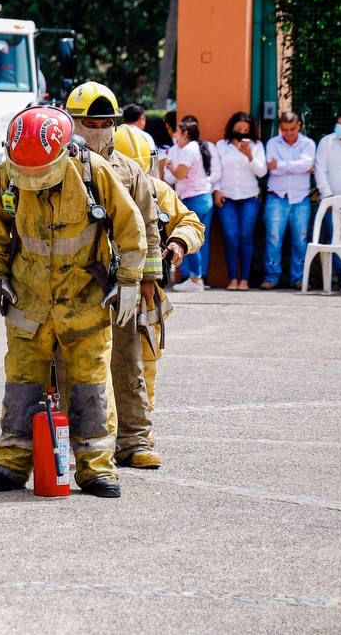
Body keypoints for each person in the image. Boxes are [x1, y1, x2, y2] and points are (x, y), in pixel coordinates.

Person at [0, 105, 146, 498]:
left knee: (90, 388)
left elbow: (129, 227)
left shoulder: (93, 172)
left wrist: (129, 281)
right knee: (21, 386)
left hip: (83, 302)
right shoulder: (10, 171)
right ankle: (10, 464)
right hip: (29, 300)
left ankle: (95, 469)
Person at [64, 82, 161, 470]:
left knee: (127, 360)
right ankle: (80, 441)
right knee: (71, 365)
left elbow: (147, 225)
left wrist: (148, 281)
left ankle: (135, 440)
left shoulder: (130, 170)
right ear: (72, 123)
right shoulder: (57, 164)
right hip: (72, 281)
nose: (98, 128)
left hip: (121, 280)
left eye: (105, 121)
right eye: (89, 121)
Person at [113, 124, 204, 467]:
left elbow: (191, 222)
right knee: (90, 369)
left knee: (143, 369)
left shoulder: (158, 190)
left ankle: (136, 438)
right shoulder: (92, 186)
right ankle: (92, 438)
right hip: (96, 292)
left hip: (146, 295)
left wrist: (179, 242)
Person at [262, 112, 316, 289]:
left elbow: (307, 164)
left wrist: (282, 165)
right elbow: (272, 169)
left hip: (301, 197)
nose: (289, 133)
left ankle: (298, 278)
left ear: (299, 126)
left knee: (300, 239)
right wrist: (298, 166)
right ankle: (271, 277)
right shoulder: (272, 143)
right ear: (280, 128)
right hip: (277, 196)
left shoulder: (308, 144)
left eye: (292, 129)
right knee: (273, 238)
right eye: (285, 130)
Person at [213, 111, 266, 290]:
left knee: (245, 237)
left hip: (249, 197)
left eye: (245, 129)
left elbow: (262, 172)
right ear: (232, 128)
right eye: (238, 128)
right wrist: (216, 190)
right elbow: (216, 169)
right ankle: (232, 279)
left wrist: (249, 155)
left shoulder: (256, 146)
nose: (242, 132)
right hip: (227, 197)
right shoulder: (221, 145)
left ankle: (244, 279)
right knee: (230, 236)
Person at [164, 115, 215, 291]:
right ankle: (198, 278)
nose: (176, 136)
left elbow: (179, 174)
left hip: (194, 198)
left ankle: (195, 279)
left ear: (185, 133)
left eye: (178, 132)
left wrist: (169, 165)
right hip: (205, 197)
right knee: (201, 239)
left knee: (191, 238)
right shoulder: (198, 147)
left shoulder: (188, 149)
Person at [314, 108, 341, 289]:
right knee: (337, 240)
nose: (340, 127)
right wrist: (329, 197)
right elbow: (320, 171)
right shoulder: (327, 142)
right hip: (333, 204)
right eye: (339, 123)